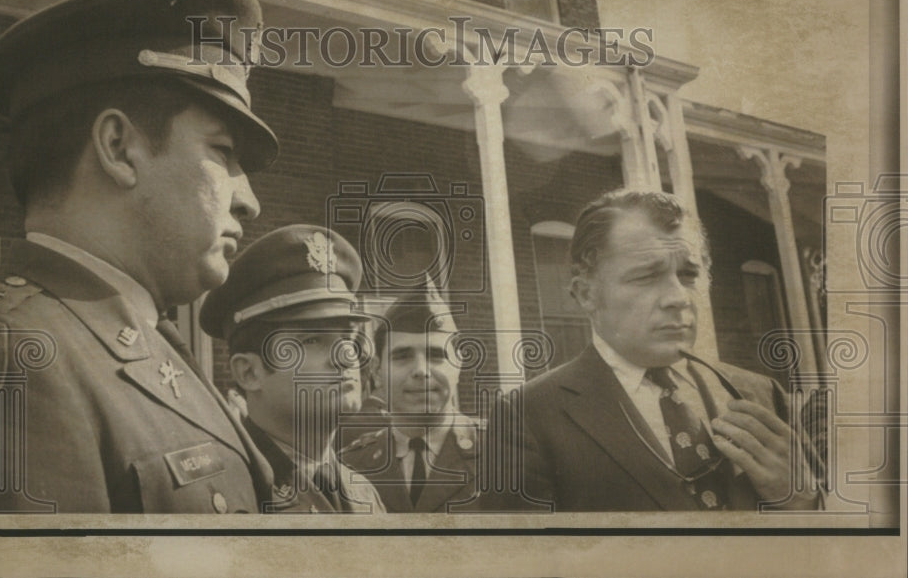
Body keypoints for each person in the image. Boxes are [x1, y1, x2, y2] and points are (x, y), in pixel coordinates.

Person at [0, 0, 278, 513]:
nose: (250, 200)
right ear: (119, 148)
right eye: (223, 152)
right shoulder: (5, 353)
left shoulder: (139, 337)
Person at [494, 189, 820, 511]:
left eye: (689, 274)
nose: (678, 298)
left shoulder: (761, 393)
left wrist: (804, 502)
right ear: (586, 294)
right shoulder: (527, 416)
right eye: (647, 277)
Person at [200, 225, 386, 514]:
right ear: (249, 373)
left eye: (348, 337)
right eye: (312, 340)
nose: (346, 356)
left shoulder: (363, 493)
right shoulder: (217, 496)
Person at [341, 287, 483, 513]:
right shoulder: (351, 465)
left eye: (436, 356)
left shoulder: (504, 452)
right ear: (377, 370)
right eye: (402, 357)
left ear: (458, 366)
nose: (420, 370)